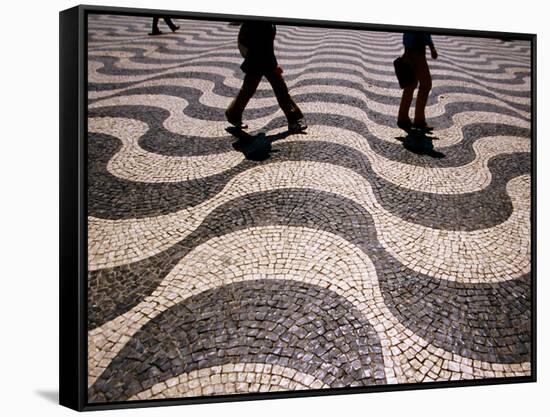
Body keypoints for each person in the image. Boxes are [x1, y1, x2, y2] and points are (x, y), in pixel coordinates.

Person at [226, 21, 307, 133]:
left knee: (249, 90)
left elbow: (267, 46)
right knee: (280, 90)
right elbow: (262, 46)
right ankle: (293, 121)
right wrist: (274, 66)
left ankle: (233, 114)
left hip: (262, 60)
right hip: (259, 61)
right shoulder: (259, 23)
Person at [397, 32, 438, 131]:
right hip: (417, 51)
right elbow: (423, 33)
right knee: (426, 85)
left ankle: (403, 117)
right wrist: (432, 47)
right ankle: (419, 120)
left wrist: (407, 50)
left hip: (411, 50)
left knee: (410, 85)